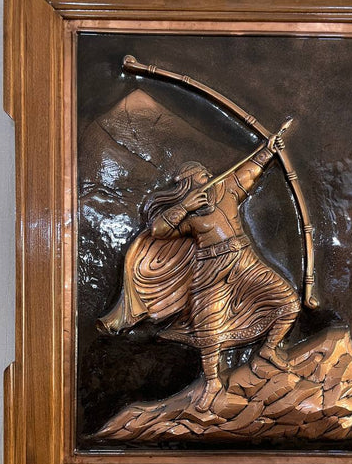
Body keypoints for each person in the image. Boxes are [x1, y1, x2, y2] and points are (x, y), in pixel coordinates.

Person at [98, 135, 300, 412]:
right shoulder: (189, 216)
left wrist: (268, 151)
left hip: (244, 260)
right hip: (210, 271)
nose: (207, 177)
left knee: (288, 301)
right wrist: (184, 207)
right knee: (209, 328)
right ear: (188, 184)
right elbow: (159, 230)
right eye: (200, 176)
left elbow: (251, 171)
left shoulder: (228, 189)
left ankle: (268, 349)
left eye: (206, 173)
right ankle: (213, 383)